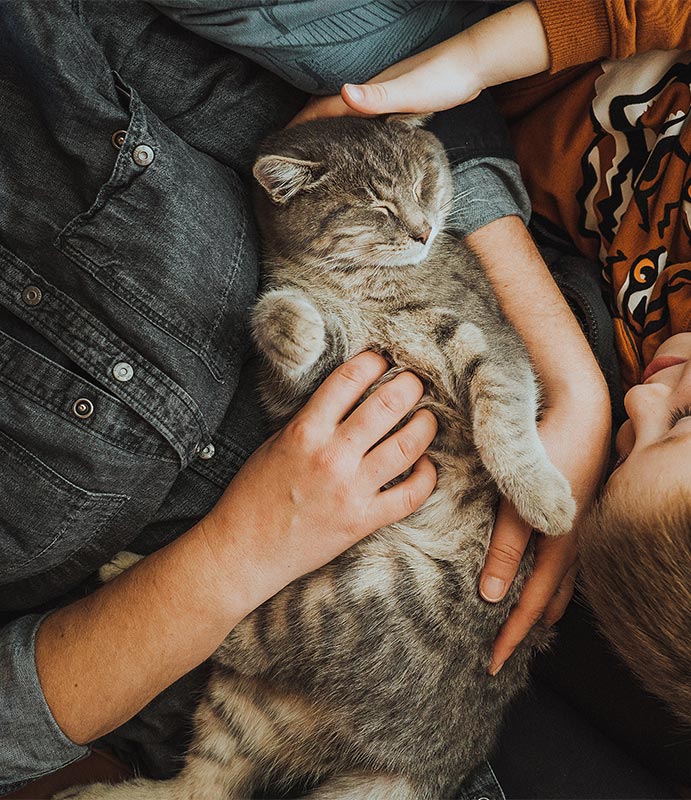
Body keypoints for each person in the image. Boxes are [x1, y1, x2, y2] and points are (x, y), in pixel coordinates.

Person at [1, 2, 613, 799]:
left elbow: (376, 93)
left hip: (437, 593)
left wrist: (573, 388)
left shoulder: (48, 49)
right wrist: (233, 560)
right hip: (245, 660)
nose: (422, 228)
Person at [299, 0, 691, 790]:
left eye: (623, 451)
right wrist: (474, 58)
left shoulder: (653, 364)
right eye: (679, 422)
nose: (641, 403)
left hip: (453, 136)